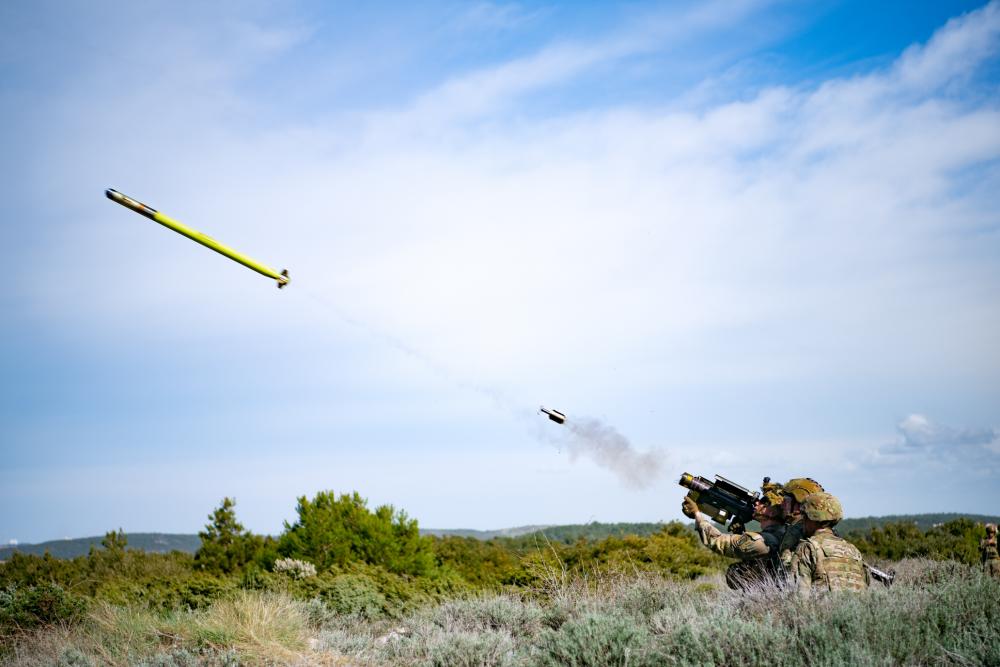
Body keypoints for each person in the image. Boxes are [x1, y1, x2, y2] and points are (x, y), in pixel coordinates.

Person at [682, 479, 787, 591]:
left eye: (763, 501)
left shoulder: (763, 540)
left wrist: (697, 514)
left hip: (773, 596)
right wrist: (739, 533)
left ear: (773, 512)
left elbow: (717, 541)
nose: (757, 503)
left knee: (736, 572)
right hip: (778, 591)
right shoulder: (784, 532)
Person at [791, 492, 869, 596]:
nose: (803, 520)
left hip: (823, 611)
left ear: (812, 517)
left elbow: (799, 596)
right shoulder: (853, 550)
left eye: (804, 516)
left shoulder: (808, 548)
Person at [777, 477, 824, 572]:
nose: (782, 505)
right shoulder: (819, 527)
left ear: (799, 502)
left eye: (786, 501)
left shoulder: (799, 528)